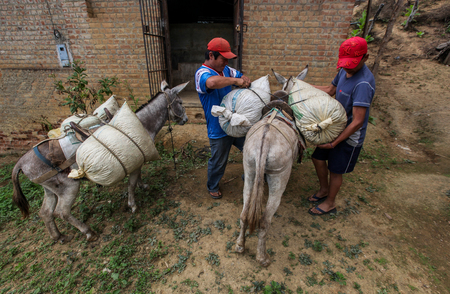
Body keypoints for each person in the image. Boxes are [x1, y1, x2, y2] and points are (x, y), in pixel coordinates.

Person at [308, 36, 375, 215]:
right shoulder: (344, 70)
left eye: (352, 63)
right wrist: (303, 87)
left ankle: (330, 202)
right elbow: (330, 90)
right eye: (345, 63)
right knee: (318, 158)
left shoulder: (363, 83)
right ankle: (323, 189)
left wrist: (334, 143)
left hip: (349, 134)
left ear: (365, 57)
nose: (348, 67)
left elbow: (358, 121)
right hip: (335, 125)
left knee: (335, 170)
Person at [195, 37, 251, 199]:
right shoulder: (202, 73)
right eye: (223, 58)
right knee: (219, 161)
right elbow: (212, 83)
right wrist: (236, 81)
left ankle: (250, 176)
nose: (226, 62)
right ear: (211, 56)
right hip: (218, 127)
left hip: (236, 122)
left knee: (250, 149)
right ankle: (212, 186)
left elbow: (242, 76)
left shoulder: (226, 70)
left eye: (228, 59)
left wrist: (244, 79)